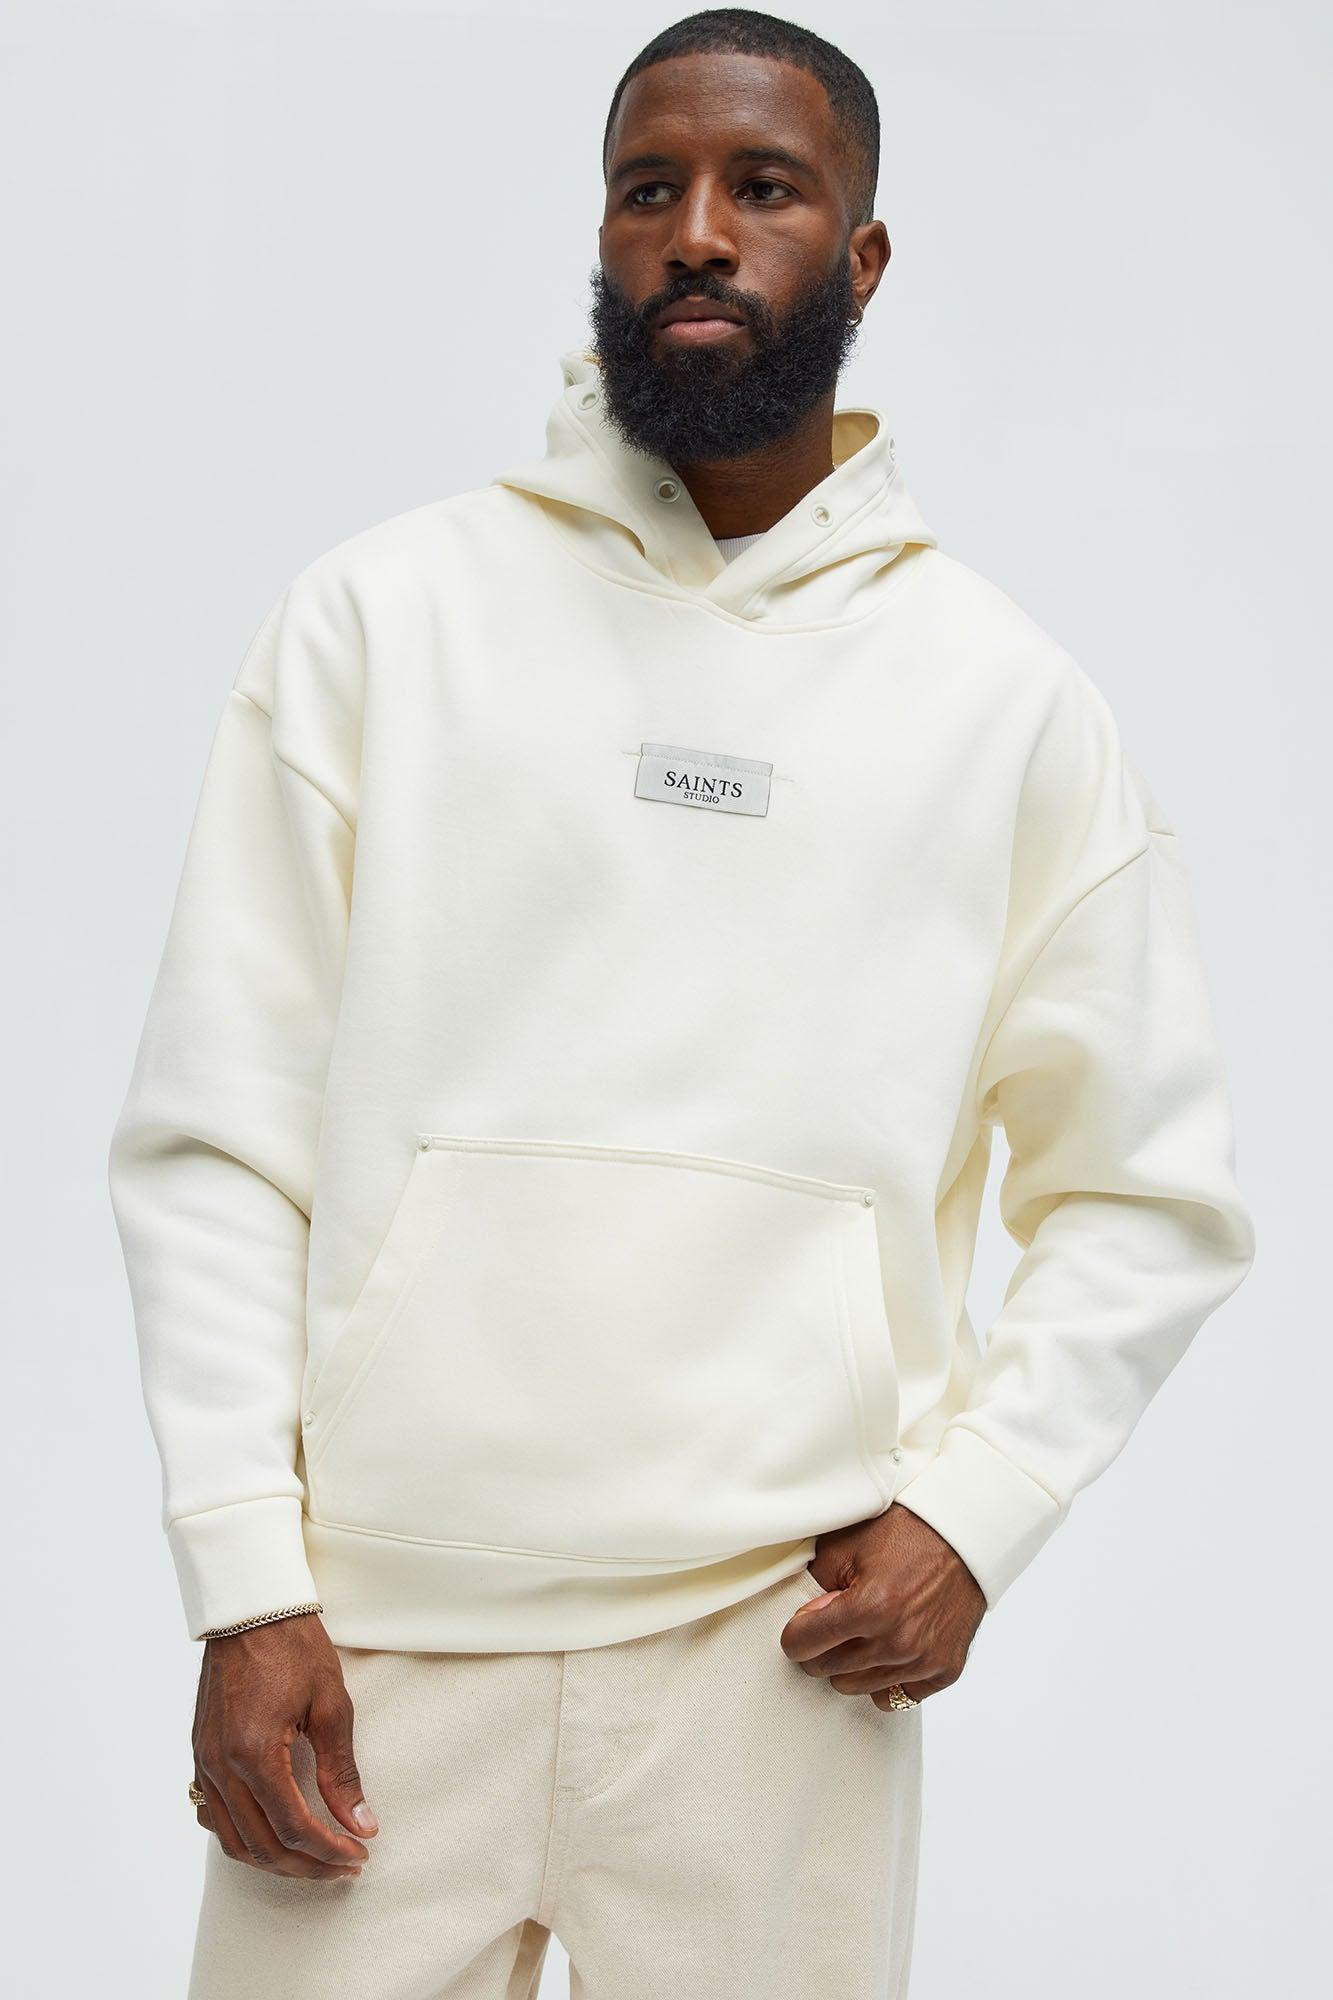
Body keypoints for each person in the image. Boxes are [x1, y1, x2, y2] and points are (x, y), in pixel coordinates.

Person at [106, 9, 1256, 1997]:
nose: (699, 232)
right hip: (372, 1638)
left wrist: (979, 1511)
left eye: (764, 188)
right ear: (602, 236)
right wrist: (242, 1580)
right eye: (650, 188)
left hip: (775, 1656)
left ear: (862, 255)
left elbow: (1147, 1191)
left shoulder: (1002, 704)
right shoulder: (380, 623)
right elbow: (215, 1139)